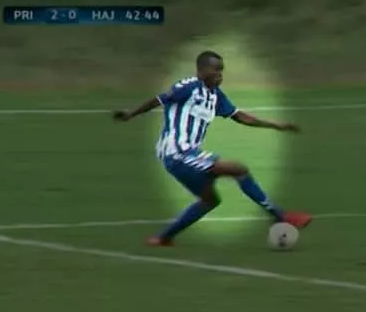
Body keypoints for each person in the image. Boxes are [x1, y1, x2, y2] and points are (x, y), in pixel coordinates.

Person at [112, 50, 312, 247]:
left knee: (210, 201)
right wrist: (131, 114)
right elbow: (159, 99)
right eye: (215, 70)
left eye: (221, 70)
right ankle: (279, 215)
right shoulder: (188, 86)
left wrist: (277, 125)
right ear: (201, 70)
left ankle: (162, 238)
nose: (220, 74)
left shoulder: (215, 96)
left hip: (189, 154)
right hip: (176, 151)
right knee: (238, 169)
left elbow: (240, 116)